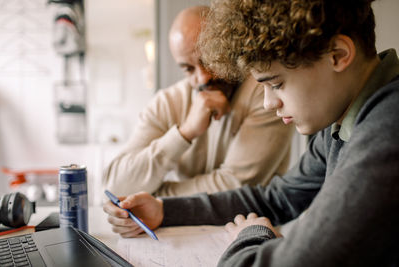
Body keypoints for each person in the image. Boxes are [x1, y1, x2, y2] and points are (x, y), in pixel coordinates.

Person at [104, 0, 399, 266]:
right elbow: (277, 198)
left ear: (337, 54)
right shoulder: (343, 120)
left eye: (277, 84)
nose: (270, 103)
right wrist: (164, 210)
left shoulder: (387, 132)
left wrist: (252, 236)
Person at [102, 6, 294, 197]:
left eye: (209, 61)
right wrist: (184, 133)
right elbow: (115, 185)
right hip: (175, 226)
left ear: (228, 47)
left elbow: (236, 186)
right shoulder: (167, 102)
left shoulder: (266, 90)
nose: (202, 78)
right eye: (188, 69)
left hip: (252, 226)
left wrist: (153, 197)